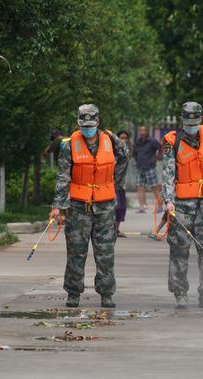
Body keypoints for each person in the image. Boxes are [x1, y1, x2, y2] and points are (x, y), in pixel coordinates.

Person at [50, 104, 129, 308]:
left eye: (90, 125)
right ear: (79, 123)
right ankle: (73, 293)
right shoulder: (70, 145)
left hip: (104, 207)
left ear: (98, 123)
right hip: (78, 207)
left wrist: (115, 184)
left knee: (105, 252)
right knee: (76, 251)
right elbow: (63, 175)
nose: (87, 129)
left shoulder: (111, 140)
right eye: (83, 125)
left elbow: (124, 158)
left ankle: (106, 293)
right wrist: (58, 204)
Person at [162, 101, 203, 309]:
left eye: (196, 121)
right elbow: (168, 172)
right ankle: (180, 294)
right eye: (188, 121)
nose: (192, 125)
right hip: (182, 204)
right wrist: (169, 201)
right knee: (179, 249)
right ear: (182, 119)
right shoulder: (172, 141)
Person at [133, 125, 161, 213]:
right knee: (140, 187)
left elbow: (161, 148)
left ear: (147, 132)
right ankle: (141, 207)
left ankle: (160, 206)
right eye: (141, 131)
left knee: (154, 187)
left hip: (150, 167)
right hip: (140, 167)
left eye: (144, 131)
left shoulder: (152, 141)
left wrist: (156, 159)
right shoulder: (138, 141)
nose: (142, 133)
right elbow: (135, 152)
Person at [115, 130, 131, 238]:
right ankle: (111, 230)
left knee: (122, 208)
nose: (124, 140)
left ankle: (116, 229)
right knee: (116, 206)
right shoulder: (114, 151)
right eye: (121, 138)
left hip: (121, 184)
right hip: (112, 183)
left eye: (126, 138)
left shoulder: (126, 150)